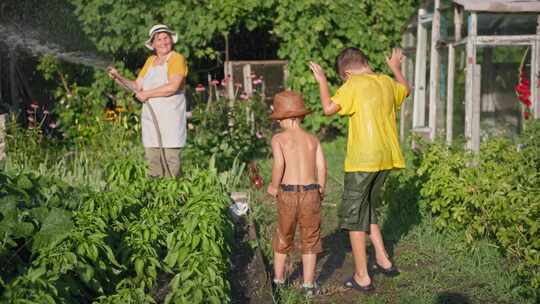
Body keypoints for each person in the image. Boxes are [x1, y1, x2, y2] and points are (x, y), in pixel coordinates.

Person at [309, 48, 410, 292]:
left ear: (346, 73)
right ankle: (384, 259)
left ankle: (362, 276)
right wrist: (395, 67)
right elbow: (405, 90)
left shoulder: (353, 84)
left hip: (362, 161)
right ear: (365, 62)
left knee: (354, 219)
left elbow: (328, 108)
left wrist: (322, 81)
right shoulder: (386, 81)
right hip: (386, 159)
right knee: (367, 209)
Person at [267, 90, 327, 297]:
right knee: (310, 239)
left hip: (288, 194)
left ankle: (279, 280)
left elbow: (279, 164)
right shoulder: (312, 140)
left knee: (284, 235)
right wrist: (321, 187)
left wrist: (274, 186)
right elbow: (322, 166)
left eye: (278, 119)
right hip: (311, 193)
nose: (277, 123)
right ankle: (309, 285)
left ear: (284, 118)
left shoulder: (279, 139)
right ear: (300, 116)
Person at [108, 24, 188, 177]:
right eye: (159, 39)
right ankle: (156, 198)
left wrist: (148, 94)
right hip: (151, 120)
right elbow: (137, 86)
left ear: (171, 40)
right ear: (153, 44)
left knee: (172, 163)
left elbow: (173, 86)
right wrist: (118, 77)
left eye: (166, 38)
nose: (164, 42)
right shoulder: (151, 61)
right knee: (153, 163)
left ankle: (177, 197)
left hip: (170, 120)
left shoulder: (177, 59)